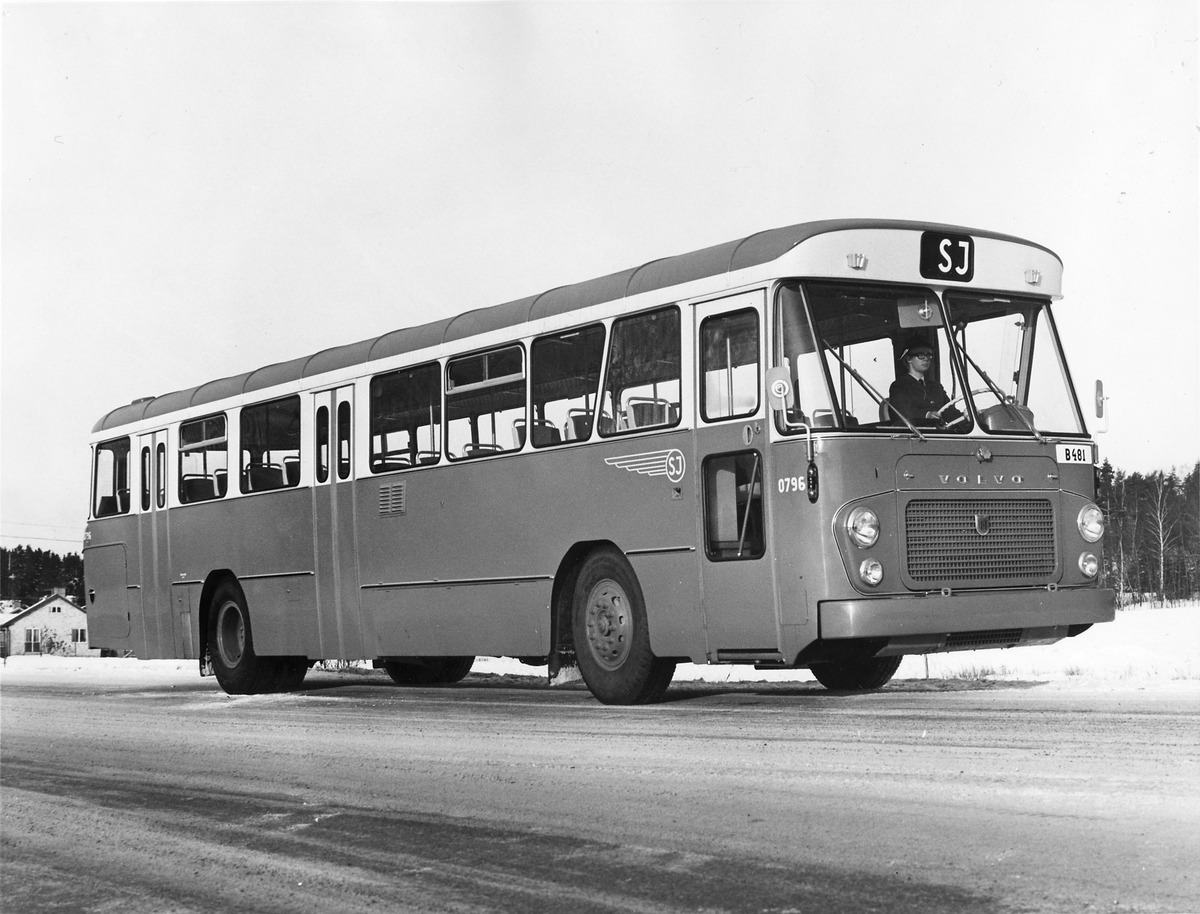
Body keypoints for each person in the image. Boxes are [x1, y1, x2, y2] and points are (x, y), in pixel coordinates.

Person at [887, 339, 965, 427]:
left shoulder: (936, 387)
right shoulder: (899, 386)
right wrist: (927, 414)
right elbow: (903, 412)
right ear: (909, 359)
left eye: (929, 355)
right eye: (921, 355)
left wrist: (967, 417)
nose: (926, 359)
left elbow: (950, 413)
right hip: (917, 436)